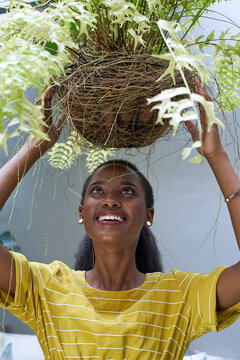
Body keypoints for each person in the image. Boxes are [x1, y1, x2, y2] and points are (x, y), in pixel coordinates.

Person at [0, 76, 239, 360]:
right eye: (97, 191)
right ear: (82, 214)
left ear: (148, 215)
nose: (110, 199)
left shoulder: (179, 297)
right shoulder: (48, 289)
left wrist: (217, 154)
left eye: (126, 191)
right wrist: (33, 147)